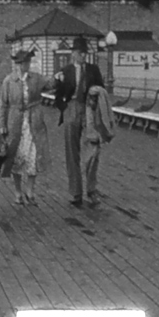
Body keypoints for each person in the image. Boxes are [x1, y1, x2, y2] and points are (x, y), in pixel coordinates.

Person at [0, 49, 57, 206]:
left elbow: (50, 84)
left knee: (33, 156)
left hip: (33, 122)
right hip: (15, 124)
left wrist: (59, 77)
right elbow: (3, 105)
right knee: (17, 157)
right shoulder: (9, 81)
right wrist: (1, 125)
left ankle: (30, 191)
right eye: (24, 63)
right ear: (18, 64)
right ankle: (17, 192)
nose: (27, 65)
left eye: (29, 62)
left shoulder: (35, 78)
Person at [54, 35, 104, 207]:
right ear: (73, 53)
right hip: (72, 108)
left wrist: (95, 100)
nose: (83, 56)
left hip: (89, 109)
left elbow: (101, 89)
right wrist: (64, 108)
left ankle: (91, 189)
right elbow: (58, 95)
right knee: (71, 151)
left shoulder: (93, 70)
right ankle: (75, 192)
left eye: (85, 53)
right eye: (80, 53)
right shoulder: (65, 71)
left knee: (93, 148)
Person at [84, 85, 115, 207]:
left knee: (92, 159)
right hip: (90, 132)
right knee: (91, 160)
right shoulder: (93, 105)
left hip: (92, 133)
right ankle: (90, 188)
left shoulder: (93, 104)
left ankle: (89, 187)